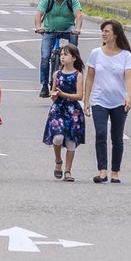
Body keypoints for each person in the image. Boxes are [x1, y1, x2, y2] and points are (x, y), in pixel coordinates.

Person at [83, 19, 131, 184]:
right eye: (103, 31)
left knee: (117, 137)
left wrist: (129, 96)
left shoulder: (126, 55)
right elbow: (90, 78)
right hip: (100, 100)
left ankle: (115, 172)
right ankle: (102, 170)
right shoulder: (96, 53)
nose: (104, 34)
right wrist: (86, 100)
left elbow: (129, 77)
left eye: (107, 31)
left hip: (119, 102)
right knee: (100, 133)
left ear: (115, 34)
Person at [43, 45, 87, 183]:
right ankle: (58, 160)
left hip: (72, 110)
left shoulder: (78, 75)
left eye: (66, 54)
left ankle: (68, 170)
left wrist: (64, 94)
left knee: (70, 142)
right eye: (61, 54)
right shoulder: (57, 74)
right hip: (58, 108)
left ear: (74, 58)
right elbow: (54, 91)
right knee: (58, 137)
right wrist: (54, 95)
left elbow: (79, 96)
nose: (62, 57)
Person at [34, 0, 84, 98]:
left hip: (68, 28)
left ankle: (74, 62)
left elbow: (78, 15)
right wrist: (38, 27)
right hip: (49, 30)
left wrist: (77, 28)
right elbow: (38, 14)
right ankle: (44, 85)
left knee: (73, 42)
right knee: (45, 56)